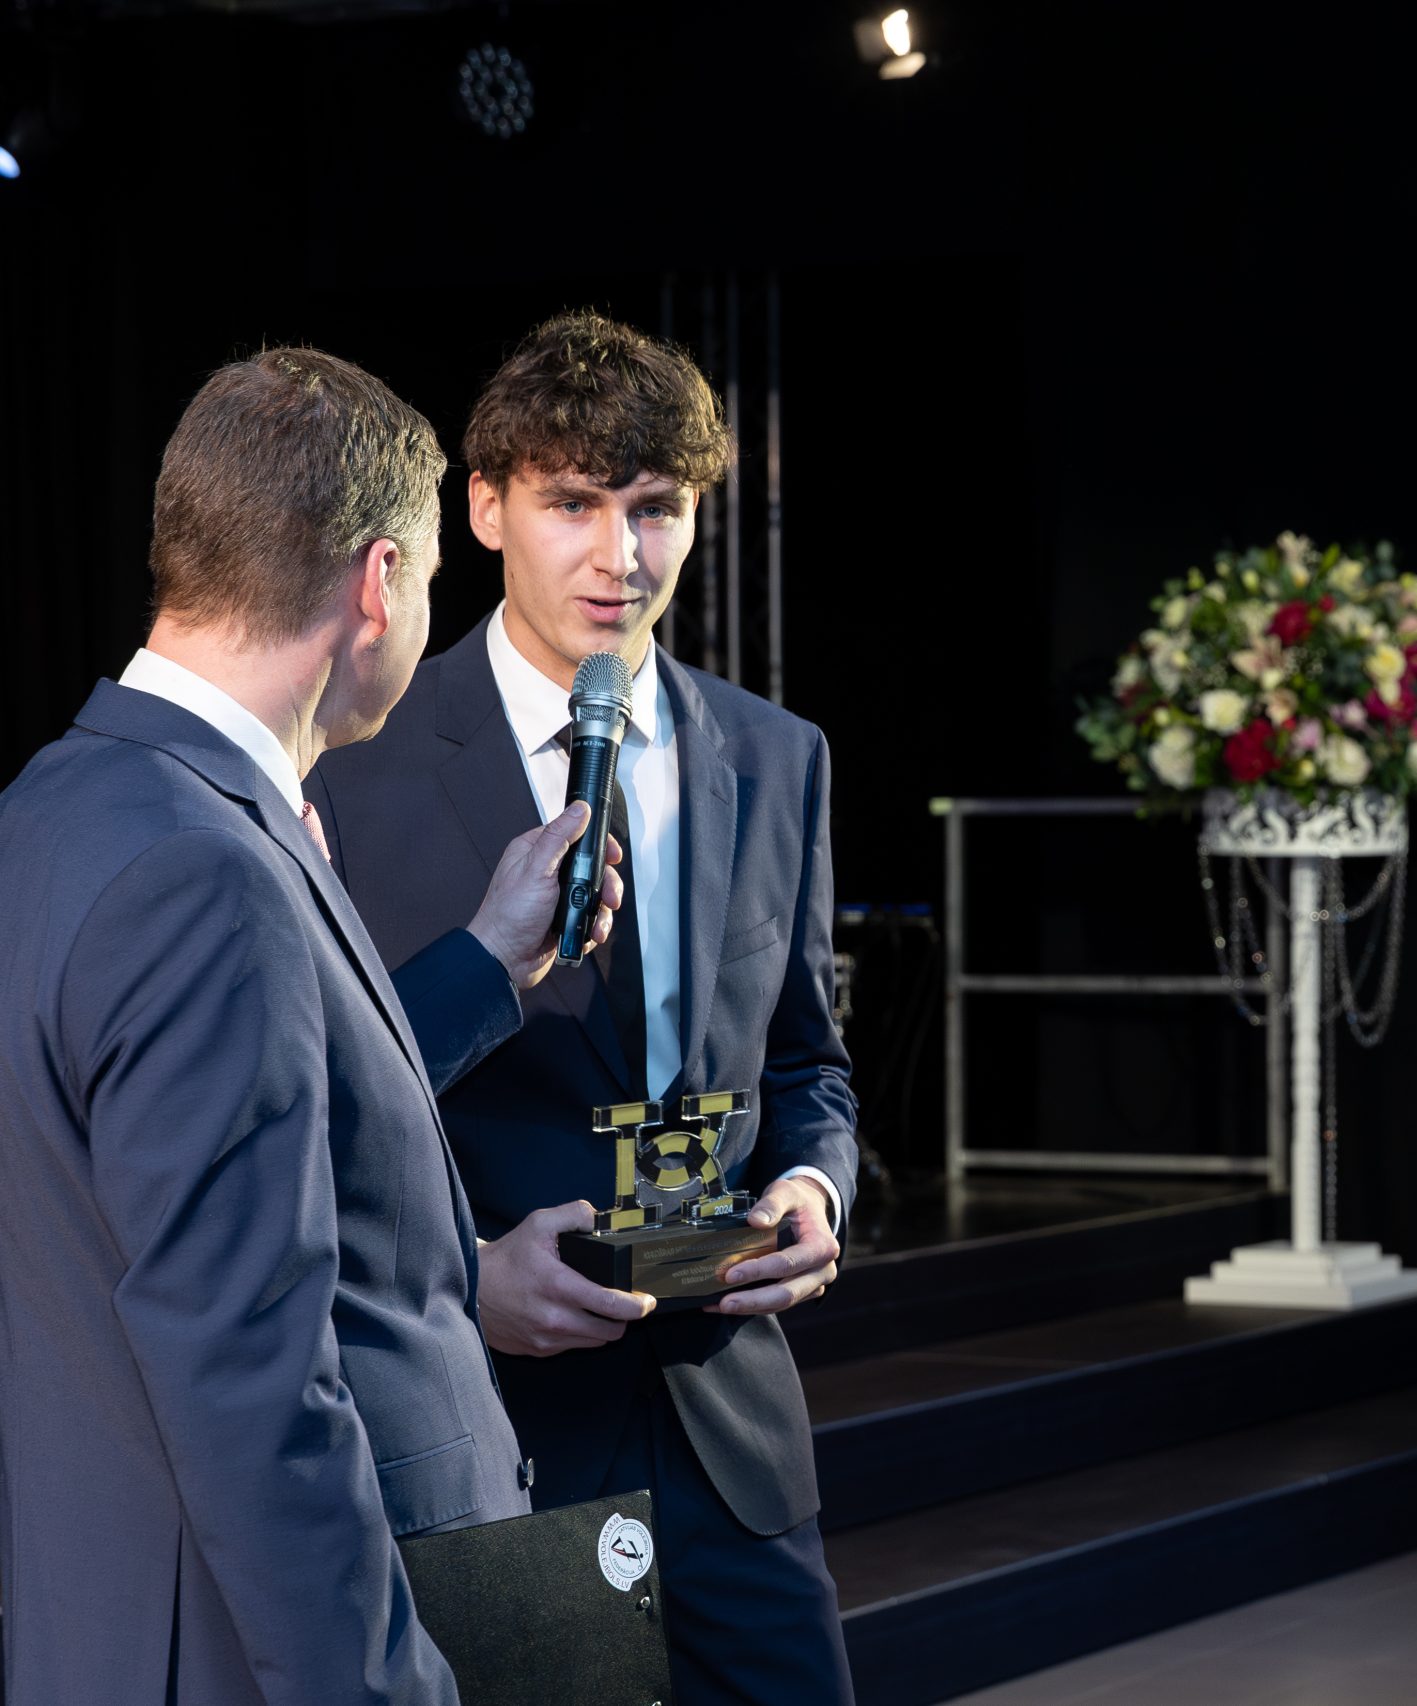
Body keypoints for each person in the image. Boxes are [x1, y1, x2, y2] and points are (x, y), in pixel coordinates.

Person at [0, 349, 621, 1704]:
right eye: (433, 584)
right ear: (379, 581)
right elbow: (251, 1380)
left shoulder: (58, 804)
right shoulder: (207, 870)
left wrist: (488, 959)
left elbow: (273, 1127)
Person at [311, 311, 862, 1706]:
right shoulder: (355, 766)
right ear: (485, 508)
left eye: (655, 507)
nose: (622, 554)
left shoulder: (778, 756)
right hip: (499, 1429)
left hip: (730, 1424)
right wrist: (466, 1274)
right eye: (574, 503)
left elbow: (809, 1063)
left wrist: (814, 1190)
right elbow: (320, 1112)